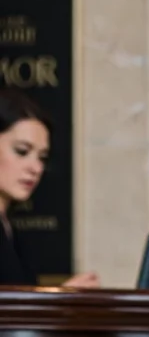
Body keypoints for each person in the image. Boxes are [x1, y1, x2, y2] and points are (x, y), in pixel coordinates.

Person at [0, 92, 99, 288]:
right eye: (22, 151)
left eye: (42, 157)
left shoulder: (11, 230)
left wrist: (62, 295)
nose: (35, 168)